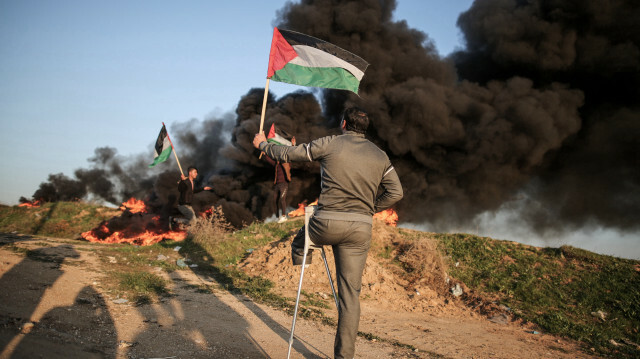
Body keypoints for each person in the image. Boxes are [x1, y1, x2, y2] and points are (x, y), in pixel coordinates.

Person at [253, 107, 403, 359]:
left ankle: (302, 257)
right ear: (365, 129)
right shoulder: (380, 156)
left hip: (326, 224)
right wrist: (369, 209)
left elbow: (291, 153)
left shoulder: (330, 143)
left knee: (304, 234)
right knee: (350, 297)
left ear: (343, 123)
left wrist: (264, 145)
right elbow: (396, 192)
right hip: (359, 229)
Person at [261, 136, 295, 223]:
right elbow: (269, 159)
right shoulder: (276, 164)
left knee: (282, 199)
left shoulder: (287, 163)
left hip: (284, 184)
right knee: (275, 200)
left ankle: (284, 216)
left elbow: (292, 154)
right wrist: (264, 152)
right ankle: (277, 217)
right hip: (277, 185)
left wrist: (293, 145)